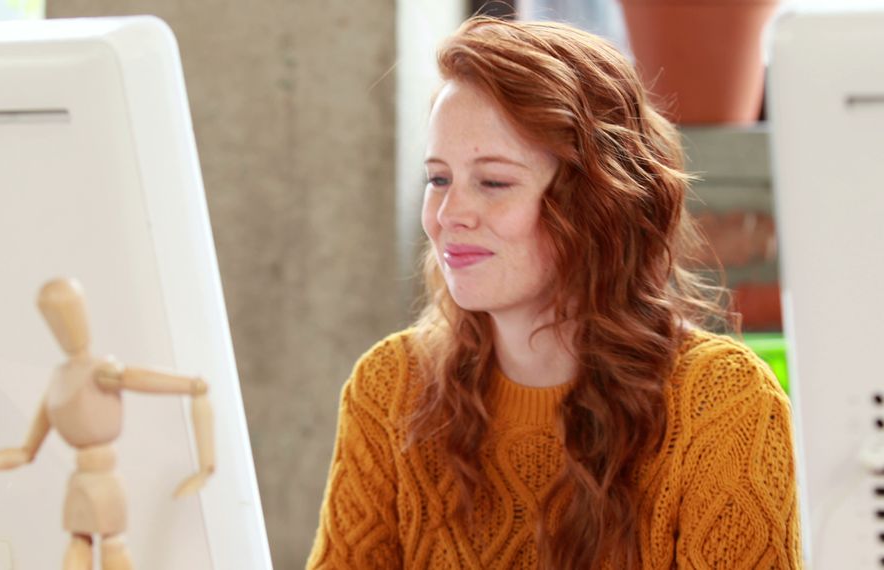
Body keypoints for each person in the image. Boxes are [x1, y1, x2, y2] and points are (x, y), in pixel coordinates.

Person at [306, 16, 801, 570]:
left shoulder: (722, 404)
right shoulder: (390, 388)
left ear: (597, 205)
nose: (449, 215)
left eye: (493, 182)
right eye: (439, 179)